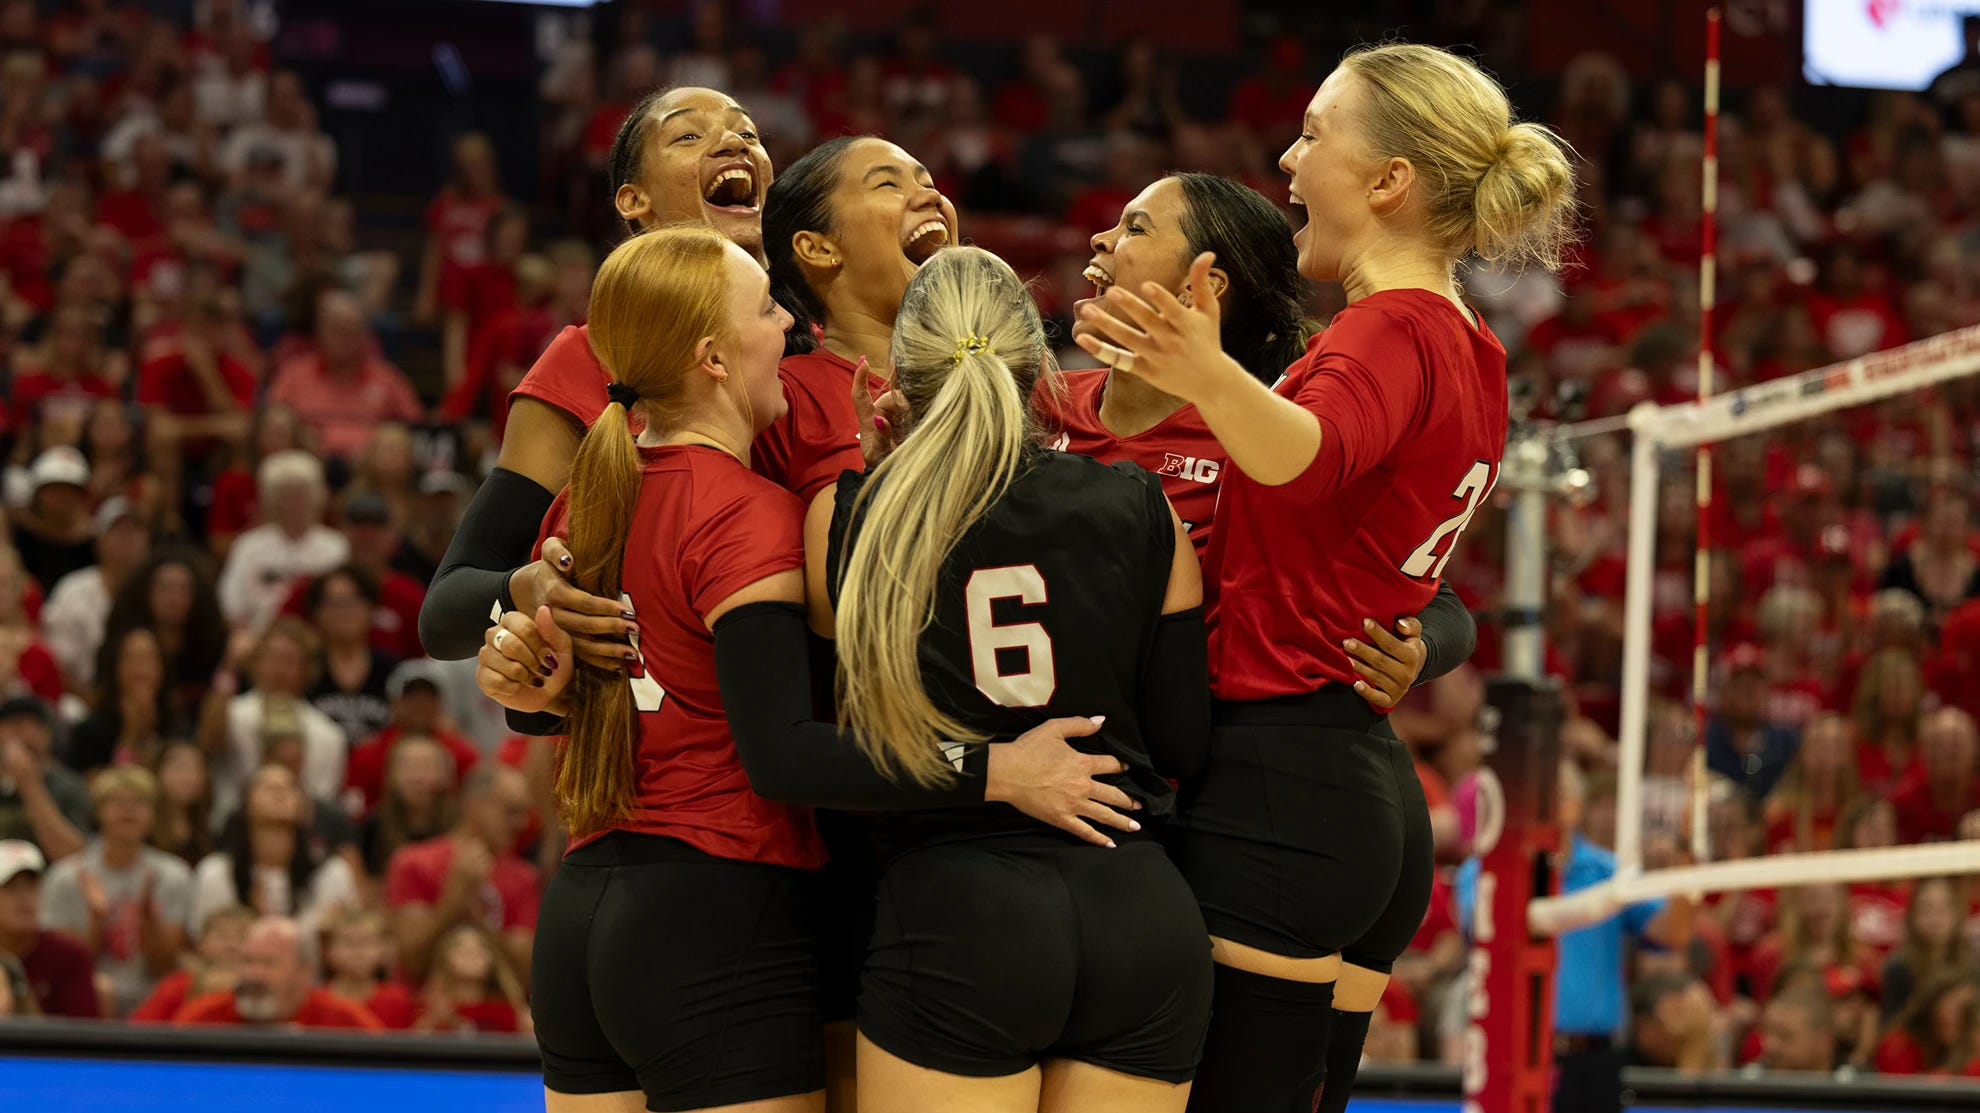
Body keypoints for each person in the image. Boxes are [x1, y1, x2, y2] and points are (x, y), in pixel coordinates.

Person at [476, 228, 1138, 1113]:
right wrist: (998, 770)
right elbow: (783, 753)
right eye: (767, 309)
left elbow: (591, 684)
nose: (789, 325)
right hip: (717, 915)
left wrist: (527, 690)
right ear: (713, 358)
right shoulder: (748, 516)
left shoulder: (591, 495)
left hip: (586, 916)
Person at [1074, 41, 1576, 1112]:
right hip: (1357, 786)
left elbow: (1310, 453)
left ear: (1390, 180)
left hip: (1280, 789)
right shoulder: (1468, 342)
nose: (1290, 161)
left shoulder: (1385, 329)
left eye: (1313, 135)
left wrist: (1200, 369)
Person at [1061, 172, 1477, 699]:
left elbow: (1436, 597)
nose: (1102, 239)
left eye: (1135, 229)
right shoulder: (1035, 406)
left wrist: (1421, 649)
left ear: (1199, 289)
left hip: (1183, 751)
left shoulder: (1263, 441)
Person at [419, 85, 775, 663]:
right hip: (654, 739)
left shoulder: (815, 341)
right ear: (634, 201)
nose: (734, 141)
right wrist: (524, 589)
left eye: (749, 133)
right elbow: (446, 615)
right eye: (689, 135)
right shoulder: (584, 362)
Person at [1458, 763, 1695, 1113]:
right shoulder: (1483, 870)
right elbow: (1478, 925)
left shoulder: (1610, 872)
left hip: (1592, 1059)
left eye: (1544, 795)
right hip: (1509, 1053)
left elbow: (1674, 933)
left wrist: (1686, 870)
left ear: (1572, 806)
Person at [758, 135, 954, 501]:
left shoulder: (1008, 370)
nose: (933, 198)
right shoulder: (782, 399)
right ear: (819, 248)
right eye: (888, 184)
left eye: (928, 184)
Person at [36, 767, 196, 1016]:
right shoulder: (66, 877)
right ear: (98, 812)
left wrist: (148, 916)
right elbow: (64, 968)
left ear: (153, 815)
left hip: (154, 997)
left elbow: (165, 966)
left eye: (139, 802)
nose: (128, 809)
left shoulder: (172, 875)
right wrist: (97, 920)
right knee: (103, 989)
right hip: (87, 996)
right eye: (117, 801)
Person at [383, 764, 538, 981]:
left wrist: (479, 920)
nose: (521, 824)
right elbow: (412, 962)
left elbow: (523, 975)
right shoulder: (412, 863)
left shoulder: (524, 878)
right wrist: (454, 898)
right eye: (511, 811)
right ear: (473, 805)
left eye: (524, 814)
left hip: (495, 1010)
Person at [191, 764, 359, 939]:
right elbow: (205, 944)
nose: (280, 791)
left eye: (291, 787)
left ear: (305, 808)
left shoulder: (331, 874)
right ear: (245, 805)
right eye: (267, 787)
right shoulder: (217, 873)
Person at [266, 289, 424, 462]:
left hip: (370, 473)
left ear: (366, 336)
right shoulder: (293, 376)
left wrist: (377, 446)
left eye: (351, 331)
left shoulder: (388, 379)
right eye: (337, 331)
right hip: (305, 469)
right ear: (320, 331)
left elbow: (415, 429)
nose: (344, 340)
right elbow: (271, 424)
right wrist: (300, 438)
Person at [216, 451, 350, 633]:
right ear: (272, 499)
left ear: (318, 496)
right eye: (287, 494)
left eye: (303, 493)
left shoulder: (336, 546)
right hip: (261, 638)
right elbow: (231, 606)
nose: (296, 502)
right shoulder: (249, 545)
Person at [173, 914, 383, 1029]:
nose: (253, 974)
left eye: (267, 963)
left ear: (305, 972)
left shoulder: (348, 1025)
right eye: (247, 961)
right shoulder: (202, 1019)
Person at [41, 496, 151, 692]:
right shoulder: (72, 591)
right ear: (99, 542)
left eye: (135, 532)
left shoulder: (155, 593)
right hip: (81, 698)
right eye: (118, 532)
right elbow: (57, 665)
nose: (127, 540)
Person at [344, 660, 479, 817]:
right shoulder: (368, 756)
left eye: (428, 697)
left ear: (440, 703)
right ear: (395, 702)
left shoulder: (464, 755)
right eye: (412, 697)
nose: (420, 704)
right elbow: (354, 809)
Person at [302, 565, 401, 748]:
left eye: (353, 602)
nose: (345, 612)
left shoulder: (394, 670)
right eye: (335, 604)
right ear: (317, 613)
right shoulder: (304, 668)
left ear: (371, 609)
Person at [64, 626, 187, 772]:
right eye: (131, 658)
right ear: (116, 668)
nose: (140, 667)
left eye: (148, 658)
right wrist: (131, 734)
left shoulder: (178, 728)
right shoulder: (90, 733)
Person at [0, 838, 99, 1017]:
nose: (24, 897)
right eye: (10, 887)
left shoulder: (70, 956)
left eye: (31, 885)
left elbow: (85, 1036)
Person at [0, 697, 92, 860]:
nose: (26, 735)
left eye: (37, 726)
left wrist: (29, 785)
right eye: (15, 726)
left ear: (48, 735)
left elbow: (75, 856)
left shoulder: (69, 786)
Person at [129, 901, 253, 1022]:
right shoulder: (179, 985)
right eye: (222, 936)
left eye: (241, 936)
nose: (230, 945)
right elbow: (141, 1029)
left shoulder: (261, 991)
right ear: (202, 944)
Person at [356, 735, 457, 882]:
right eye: (408, 767)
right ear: (391, 774)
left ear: (446, 774)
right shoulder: (375, 826)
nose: (418, 777)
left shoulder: (458, 824)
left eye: (428, 766)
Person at [411, 923, 529, 1034]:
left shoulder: (508, 1013)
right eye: (459, 945)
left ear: (492, 960)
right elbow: (412, 1047)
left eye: (481, 946)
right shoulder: (427, 1008)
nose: (471, 951)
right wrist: (434, 1021)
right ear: (444, 958)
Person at [1881, 877, 1971, 1020]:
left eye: (1944, 908)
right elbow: (1891, 1027)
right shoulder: (1899, 968)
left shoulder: (1972, 964)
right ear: (1912, 915)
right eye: (1926, 908)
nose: (1935, 918)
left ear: (1957, 913)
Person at [320, 905, 418, 1029]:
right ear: (329, 951)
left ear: (383, 950)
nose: (358, 952)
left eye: (367, 942)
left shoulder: (398, 1000)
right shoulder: (316, 1002)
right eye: (348, 942)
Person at [1757, 988, 1841, 1074]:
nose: (1769, 1045)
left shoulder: (1851, 1081)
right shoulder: (1749, 1080)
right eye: (1766, 1034)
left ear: (1824, 1042)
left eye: (1784, 1036)